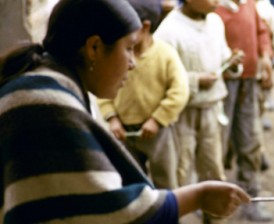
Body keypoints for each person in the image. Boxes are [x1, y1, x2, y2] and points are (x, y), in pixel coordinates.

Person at [0, 0, 250, 223]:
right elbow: (109, 212)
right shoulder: (47, 107)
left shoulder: (43, 86)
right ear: (94, 48)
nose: (133, 63)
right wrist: (198, 196)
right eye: (128, 48)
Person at [153, 0, 244, 222]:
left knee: (213, 166)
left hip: (212, 108)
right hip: (182, 112)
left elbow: (222, 56)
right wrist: (194, 80)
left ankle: (213, 217)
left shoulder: (215, 22)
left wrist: (231, 64)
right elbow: (162, 77)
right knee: (181, 170)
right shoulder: (169, 30)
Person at [97, 0, 189, 190]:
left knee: (166, 181)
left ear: (144, 26)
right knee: (131, 181)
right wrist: (112, 118)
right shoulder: (116, 54)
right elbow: (103, 87)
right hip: (123, 132)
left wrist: (157, 120)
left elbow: (180, 91)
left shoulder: (165, 54)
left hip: (158, 132)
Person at [215, 0, 274, 222]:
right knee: (216, 145)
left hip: (248, 83)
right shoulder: (213, 8)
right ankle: (213, 202)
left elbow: (261, 32)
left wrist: (266, 56)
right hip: (221, 87)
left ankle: (251, 199)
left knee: (250, 140)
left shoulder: (248, 3)